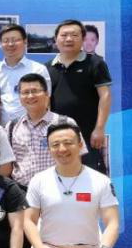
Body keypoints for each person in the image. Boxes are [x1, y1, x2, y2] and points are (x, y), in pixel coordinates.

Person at [47, 20, 112, 174]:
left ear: (82, 39)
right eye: (64, 35)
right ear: (56, 39)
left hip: (88, 135)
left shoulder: (95, 63)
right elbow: (46, 102)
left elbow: (105, 95)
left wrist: (99, 128)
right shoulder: (47, 67)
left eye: (74, 35)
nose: (69, 39)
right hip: (58, 136)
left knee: (92, 178)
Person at [5, 73, 81, 191]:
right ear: (19, 97)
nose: (30, 96)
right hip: (22, 192)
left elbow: (77, 159)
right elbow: (7, 165)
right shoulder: (12, 126)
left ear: (46, 94)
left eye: (35, 91)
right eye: (25, 92)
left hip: (58, 190)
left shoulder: (66, 123)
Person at [0, 25, 51, 125]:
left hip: (31, 129)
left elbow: (46, 101)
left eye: (15, 40)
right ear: (1, 44)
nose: (10, 44)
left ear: (25, 42)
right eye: (6, 41)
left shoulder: (38, 69)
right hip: (0, 130)